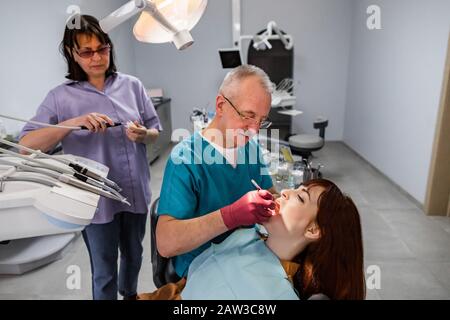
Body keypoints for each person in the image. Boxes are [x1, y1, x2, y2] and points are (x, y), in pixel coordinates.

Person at [18, 15, 162, 300]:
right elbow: (26, 145)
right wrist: (75, 122)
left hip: (135, 194)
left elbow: (156, 131)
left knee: (134, 255)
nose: (96, 57)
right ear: (72, 53)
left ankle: (129, 294)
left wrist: (143, 134)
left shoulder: (132, 85)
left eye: (102, 48)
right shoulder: (60, 98)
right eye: (86, 51)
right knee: (104, 268)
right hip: (95, 202)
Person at [138, 179, 366, 300]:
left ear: (313, 230)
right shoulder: (246, 235)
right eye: (296, 187)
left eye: (300, 196)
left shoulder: (278, 294)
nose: (285, 191)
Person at [156, 65, 278, 279]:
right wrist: (230, 216)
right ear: (221, 105)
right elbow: (166, 243)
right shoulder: (185, 160)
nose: (255, 129)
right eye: (248, 116)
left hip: (246, 255)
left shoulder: (250, 148)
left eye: (261, 120)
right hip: (203, 267)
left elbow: (271, 192)